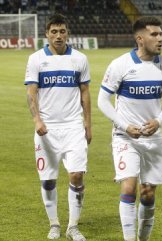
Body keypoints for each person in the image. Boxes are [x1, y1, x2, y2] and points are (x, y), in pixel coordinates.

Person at [97, 16, 162, 241]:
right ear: (140, 39)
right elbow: (102, 101)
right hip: (126, 137)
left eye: (161, 34)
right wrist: (124, 125)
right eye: (154, 34)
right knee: (129, 187)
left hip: (153, 139)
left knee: (148, 194)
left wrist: (159, 121)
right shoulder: (120, 65)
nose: (160, 39)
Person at [25, 13, 91, 241]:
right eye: (54, 31)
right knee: (48, 179)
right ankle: (54, 223)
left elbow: (85, 92)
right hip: (47, 129)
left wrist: (87, 124)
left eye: (62, 31)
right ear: (47, 34)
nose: (58, 35)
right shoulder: (36, 59)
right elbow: (31, 93)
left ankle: (73, 226)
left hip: (73, 126)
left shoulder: (80, 59)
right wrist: (37, 121)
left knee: (77, 175)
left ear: (68, 33)